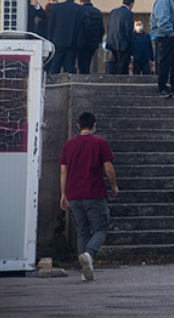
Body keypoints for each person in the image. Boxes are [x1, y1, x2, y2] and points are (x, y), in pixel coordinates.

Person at [59, 111, 119, 282]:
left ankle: (85, 270)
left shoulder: (68, 145)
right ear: (95, 125)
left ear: (78, 125)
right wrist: (113, 185)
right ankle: (89, 255)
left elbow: (63, 172)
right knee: (100, 228)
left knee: (82, 231)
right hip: (94, 193)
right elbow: (108, 167)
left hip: (74, 194)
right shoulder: (100, 142)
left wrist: (63, 194)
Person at [46, 0, 85, 74]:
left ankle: (52, 84)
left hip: (58, 41)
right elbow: (83, 27)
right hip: (73, 42)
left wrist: (50, 38)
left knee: (55, 65)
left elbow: (51, 25)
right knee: (70, 66)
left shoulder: (57, 8)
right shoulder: (80, 9)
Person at [105, 0, 135, 75]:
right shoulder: (128, 13)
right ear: (131, 4)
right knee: (123, 67)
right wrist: (131, 42)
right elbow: (129, 30)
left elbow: (109, 27)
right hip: (123, 44)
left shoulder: (113, 12)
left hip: (112, 42)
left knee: (115, 65)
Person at [77, 0, 104, 74]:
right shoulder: (97, 12)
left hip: (81, 42)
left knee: (82, 63)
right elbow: (101, 29)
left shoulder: (79, 10)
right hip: (93, 42)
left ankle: (83, 79)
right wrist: (98, 40)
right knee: (88, 62)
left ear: (80, 0)